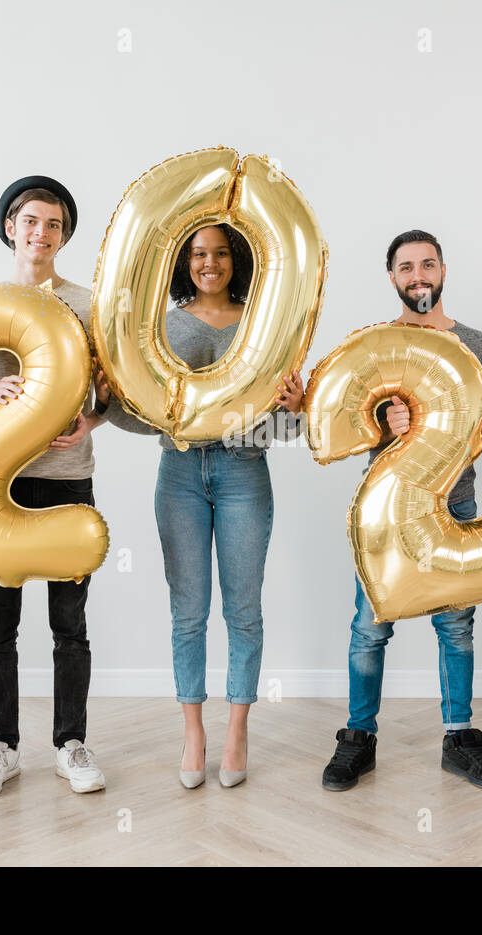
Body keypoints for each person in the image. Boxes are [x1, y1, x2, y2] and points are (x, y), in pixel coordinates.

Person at [0, 176, 143, 797]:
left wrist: (89, 419)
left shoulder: (86, 304)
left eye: (54, 224)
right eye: (30, 221)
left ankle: (70, 743)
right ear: (11, 226)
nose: (41, 233)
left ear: (63, 235)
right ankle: (1, 746)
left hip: (67, 479)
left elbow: (116, 390)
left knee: (71, 623)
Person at [321, 229, 482, 793]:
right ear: (392, 278)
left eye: (427, 265)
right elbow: (344, 425)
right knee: (369, 625)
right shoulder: (375, 345)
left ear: (443, 271)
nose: (418, 276)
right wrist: (383, 424)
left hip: (454, 501)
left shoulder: (477, 343)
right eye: (406, 267)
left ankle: (459, 739)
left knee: (456, 625)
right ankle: (359, 739)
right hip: (383, 510)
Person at [109, 223, 304, 789]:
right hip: (179, 474)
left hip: (245, 472)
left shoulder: (263, 323)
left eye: (220, 252)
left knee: (243, 610)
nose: (209, 263)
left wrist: (299, 403)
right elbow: (144, 416)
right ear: (182, 262)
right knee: (188, 611)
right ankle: (193, 731)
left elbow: (289, 427)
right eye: (198, 254)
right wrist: (108, 394)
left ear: (236, 259)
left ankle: (236, 729)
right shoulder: (165, 326)